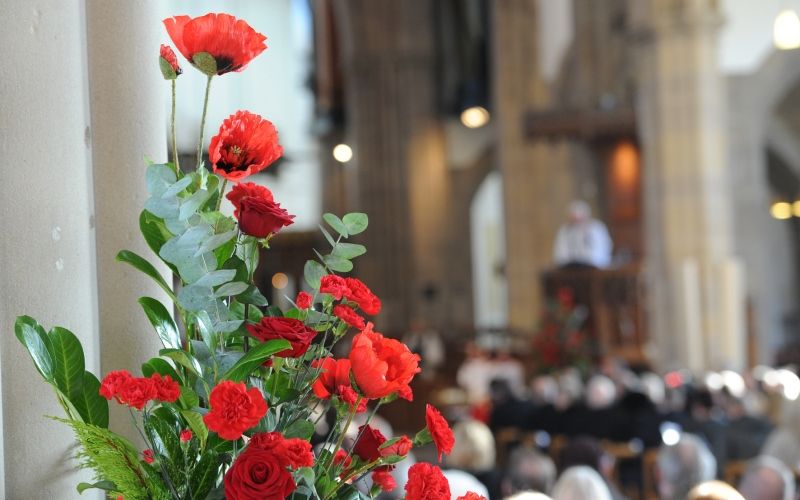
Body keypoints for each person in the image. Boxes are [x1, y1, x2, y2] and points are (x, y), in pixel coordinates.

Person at [656, 433, 717, 500]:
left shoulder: (704, 461)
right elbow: (663, 474)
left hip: (697, 488)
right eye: (683, 450)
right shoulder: (670, 458)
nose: (686, 453)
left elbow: (706, 481)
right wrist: (665, 485)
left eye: (688, 450)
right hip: (675, 491)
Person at [553, 200, 613, 268]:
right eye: (574, 220)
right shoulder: (564, 231)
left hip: (593, 268)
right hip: (570, 269)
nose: (577, 224)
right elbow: (560, 254)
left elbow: (601, 252)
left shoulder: (597, 229)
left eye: (580, 220)